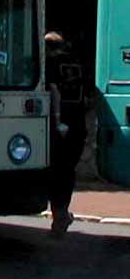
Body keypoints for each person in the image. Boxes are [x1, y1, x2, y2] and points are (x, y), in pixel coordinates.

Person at [45, 31, 88, 238]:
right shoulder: (78, 63)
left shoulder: (51, 64)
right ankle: (62, 211)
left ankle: (59, 213)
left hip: (59, 124)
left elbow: (54, 91)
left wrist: (58, 119)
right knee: (68, 169)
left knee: (56, 169)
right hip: (78, 123)